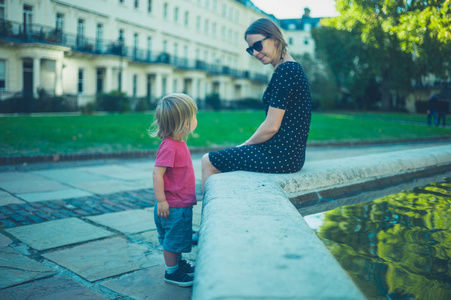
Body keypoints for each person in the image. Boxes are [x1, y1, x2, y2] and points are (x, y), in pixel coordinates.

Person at [202, 18, 312, 189]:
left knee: (208, 161)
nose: (254, 53)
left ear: (275, 40)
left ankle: (212, 215)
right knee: (227, 161)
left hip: (280, 156)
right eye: (250, 49)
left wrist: (244, 146)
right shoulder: (288, 68)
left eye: (258, 46)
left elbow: (271, 126)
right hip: (288, 155)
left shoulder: (286, 71)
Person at [150, 93, 198, 287]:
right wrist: (161, 200)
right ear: (185, 123)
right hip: (173, 206)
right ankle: (172, 272)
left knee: (176, 239)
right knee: (172, 241)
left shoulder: (178, 143)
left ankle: (178, 265)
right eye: (194, 116)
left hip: (179, 204)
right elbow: (157, 173)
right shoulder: (170, 146)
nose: (196, 120)